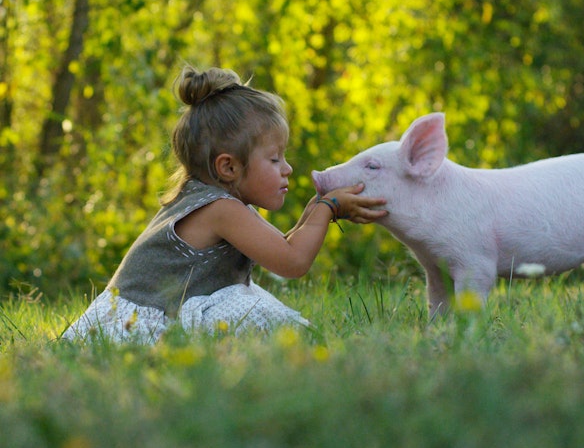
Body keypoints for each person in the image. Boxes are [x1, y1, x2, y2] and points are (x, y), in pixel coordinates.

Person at [62, 65, 387, 343]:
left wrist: (319, 209)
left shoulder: (214, 201)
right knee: (264, 321)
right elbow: (292, 262)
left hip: (173, 306)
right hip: (143, 324)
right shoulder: (220, 209)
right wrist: (326, 208)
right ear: (228, 167)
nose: (287, 168)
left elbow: (281, 246)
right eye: (274, 159)